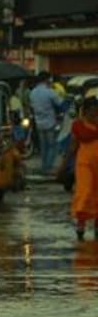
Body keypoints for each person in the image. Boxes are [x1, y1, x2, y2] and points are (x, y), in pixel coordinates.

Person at [70, 96, 98, 240]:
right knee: (84, 192)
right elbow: (73, 145)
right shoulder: (78, 125)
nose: (94, 113)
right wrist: (63, 165)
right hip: (84, 163)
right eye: (91, 110)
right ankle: (81, 224)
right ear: (85, 111)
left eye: (96, 110)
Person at [30, 71, 65, 174]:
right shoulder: (50, 92)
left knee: (43, 146)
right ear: (47, 79)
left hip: (39, 123)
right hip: (50, 122)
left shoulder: (33, 92)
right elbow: (61, 104)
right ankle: (48, 167)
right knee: (52, 146)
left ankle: (44, 166)